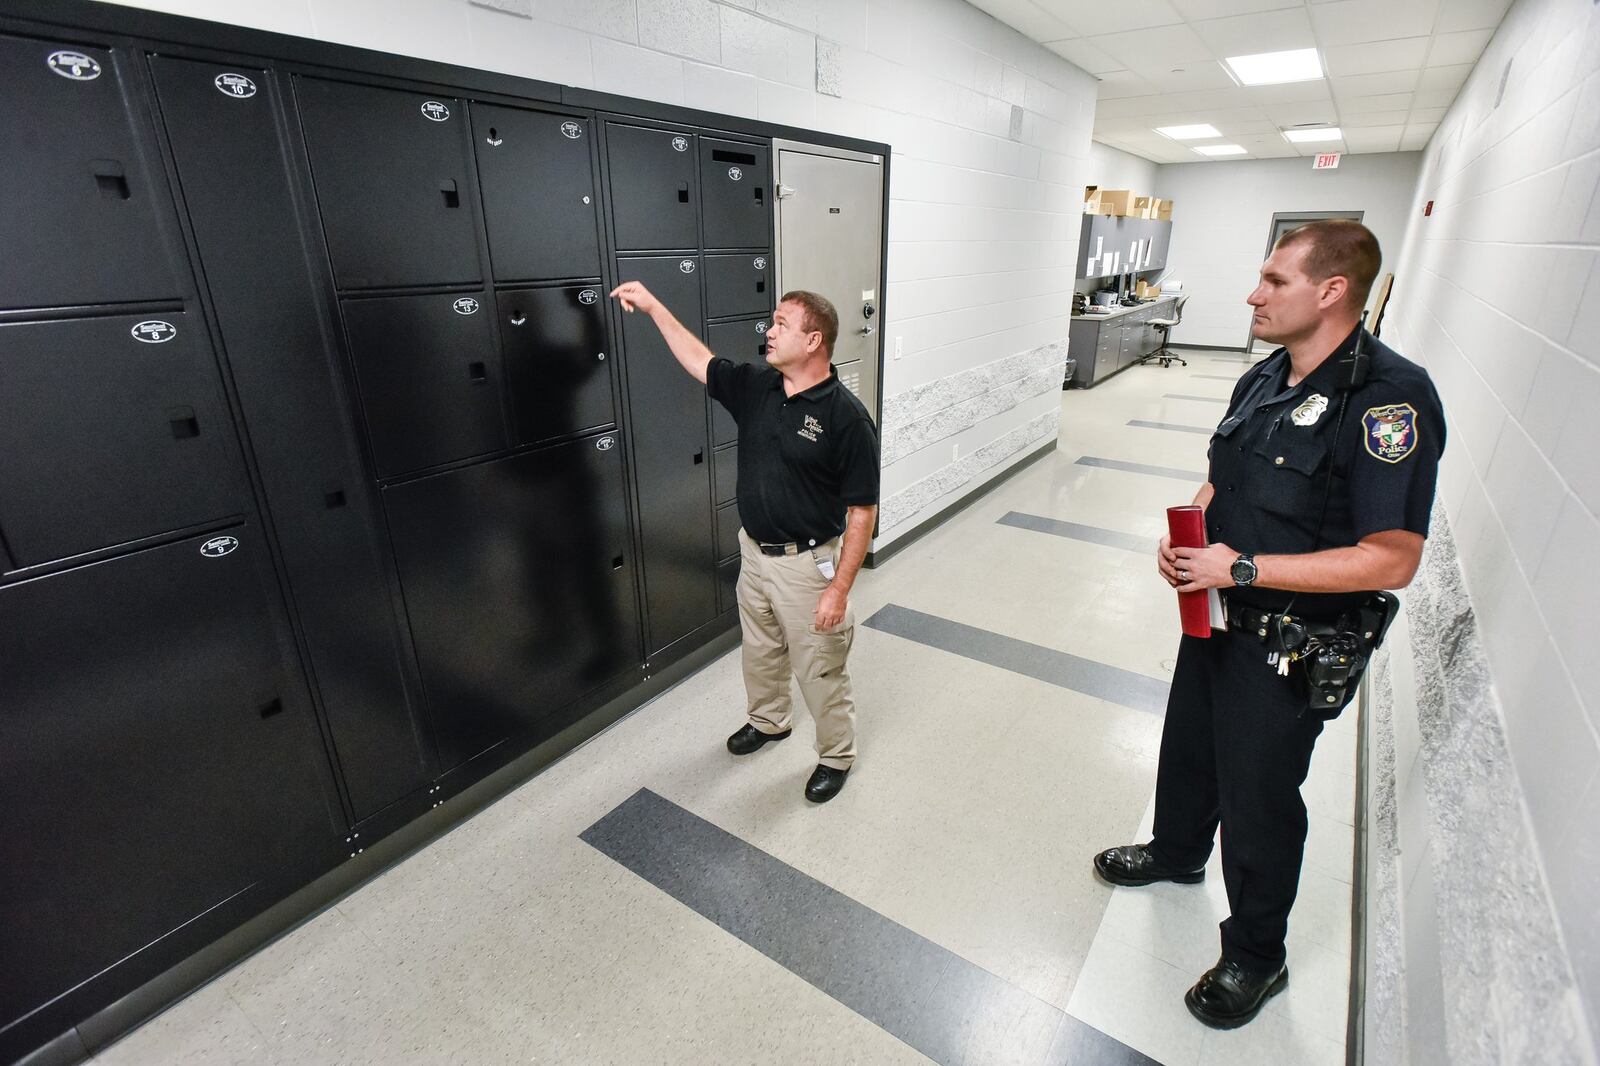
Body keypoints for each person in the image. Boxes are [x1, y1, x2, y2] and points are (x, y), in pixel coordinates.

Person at [1092, 220, 1446, 1028]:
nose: (1253, 294)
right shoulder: (1264, 378)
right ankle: (1178, 853)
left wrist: (1242, 569)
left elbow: (1391, 557)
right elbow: (1223, 478)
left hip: (1286, 649)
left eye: (1274, 280)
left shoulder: (1390, 400)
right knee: (1186, 750)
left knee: (1258, 802)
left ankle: (1257, 955)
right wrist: (1193, 539)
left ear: (1331, 292)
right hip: (1213, 616)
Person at [609, 282, 879, 804]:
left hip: (808, 564)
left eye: (781, 324)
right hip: (755, 553)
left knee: (820, 666)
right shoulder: (758, 386)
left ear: (814, 340)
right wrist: (653, 305)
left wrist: (838, 591)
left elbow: (861, 511)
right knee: (761, 651)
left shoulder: (846, 418)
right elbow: (700, 360)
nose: (768, 331)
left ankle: (835, 755)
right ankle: (770, 721)